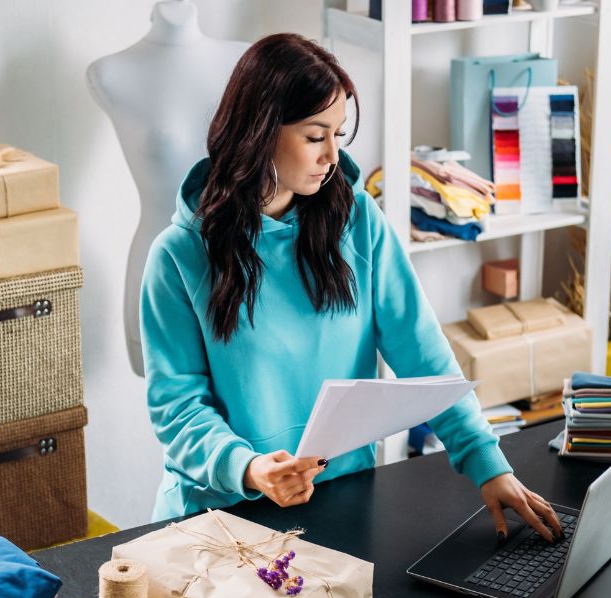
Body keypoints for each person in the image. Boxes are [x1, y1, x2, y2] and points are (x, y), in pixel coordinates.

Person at [140, 33, 561, 541]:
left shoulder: (359, 221)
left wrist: (487, 464)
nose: (333, 155)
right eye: (316, 136)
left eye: (339, 134)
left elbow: (423, 355)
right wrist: (250, 469)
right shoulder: (178, 257)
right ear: (259, 132)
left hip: (341, 498)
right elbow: (178, 409)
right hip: (221, 514)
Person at [85, 0, 248, 377]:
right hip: (159, 266)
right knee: (172, 406)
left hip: (240, 264)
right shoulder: (111, 72)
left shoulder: (242, 61)